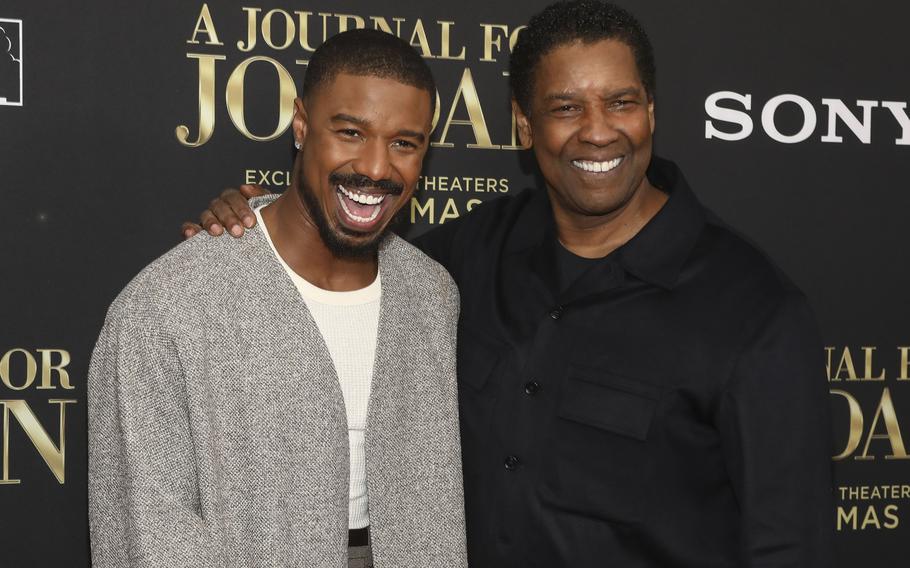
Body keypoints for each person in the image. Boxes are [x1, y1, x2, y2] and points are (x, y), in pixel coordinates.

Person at [187, 1, 834, 566]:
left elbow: (788, 549)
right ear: (524, 125)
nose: (599, 130)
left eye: (621, 102)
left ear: (651, 111)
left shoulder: (755, 313)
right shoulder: (467, 256)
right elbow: (347, 248)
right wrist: (259, 223)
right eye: (566, 107)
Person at [88, 29, 467, 568]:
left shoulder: (431, 294)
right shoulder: (167, 306)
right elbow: (143, 530)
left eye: (404, 143)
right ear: (302, 124)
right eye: (351, 132)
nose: (378, 168)